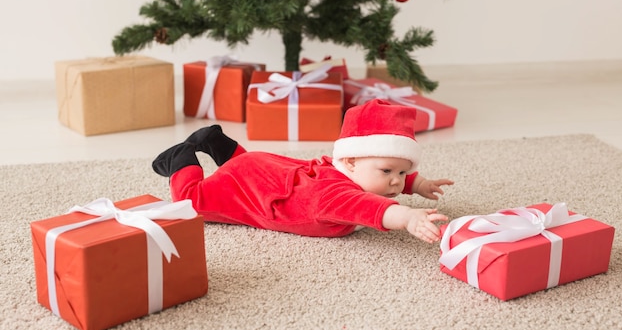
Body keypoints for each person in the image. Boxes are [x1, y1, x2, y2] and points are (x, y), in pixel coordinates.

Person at [152, 99, 454, 243]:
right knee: (191, 204)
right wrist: (408, 216)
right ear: (349, 162)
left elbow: (386, 178)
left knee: (244, 168)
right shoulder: (336, 196)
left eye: (403, 174)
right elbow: (373, 208)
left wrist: (418, 184)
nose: (396, 182)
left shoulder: (361, 170)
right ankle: (181, 157)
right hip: (251, 181)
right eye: (390, 172)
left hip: (260, 167)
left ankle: (215, 142)